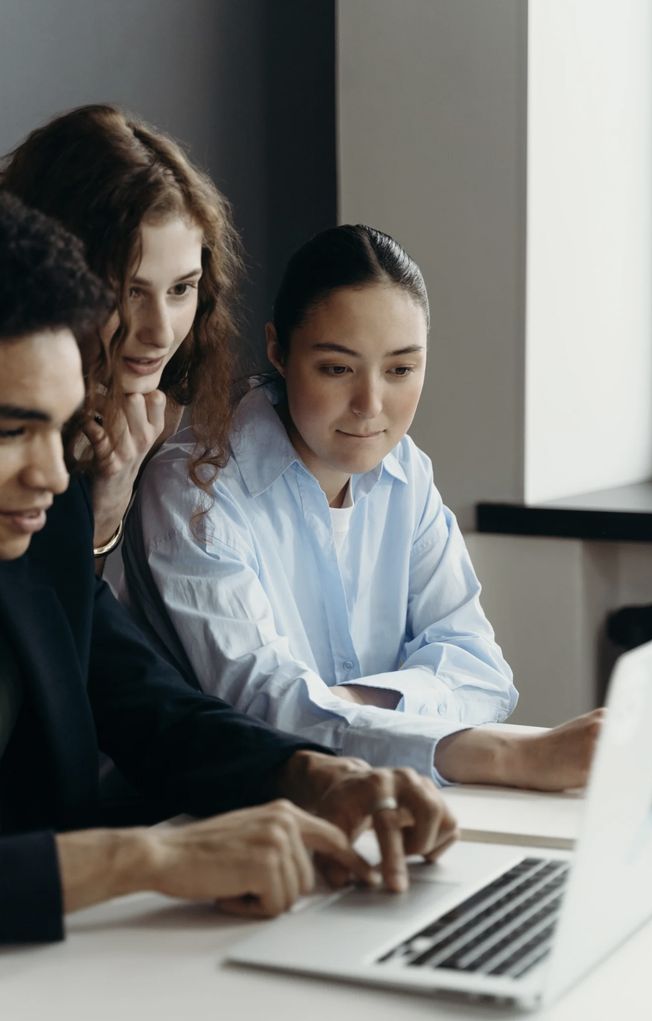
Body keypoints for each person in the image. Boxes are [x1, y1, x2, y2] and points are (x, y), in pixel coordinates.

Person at [0, 197, 457, 945]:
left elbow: (156, 709)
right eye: (14, 430)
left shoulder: (41, 541)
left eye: (61, 426)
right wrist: (145, 856)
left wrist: (318, 775)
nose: (53, 476)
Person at [124, 224, 603, 789]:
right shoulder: (194, 488)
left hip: (393, 801)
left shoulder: (407, 473)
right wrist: (506, 755)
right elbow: (264, 713)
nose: (370, 406)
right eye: (336, 368)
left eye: (401, 369)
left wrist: (343, 703)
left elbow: (482, 672)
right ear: (278, 350)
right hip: (228, 816)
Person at [1, 103, 245, 560]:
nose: (159, 333)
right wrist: (105, 509)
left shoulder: (162, 409)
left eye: (181, 289)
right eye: (130, 292)